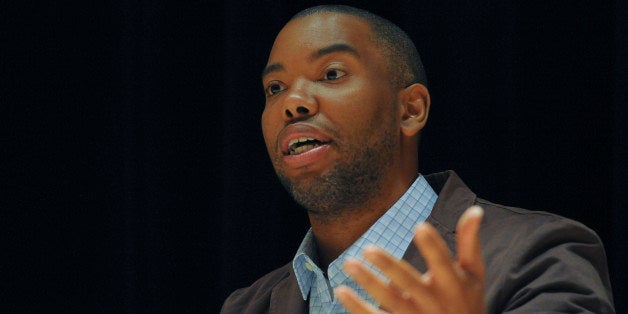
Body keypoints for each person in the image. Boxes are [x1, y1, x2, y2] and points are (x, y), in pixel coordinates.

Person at [221, 4, 614, 313]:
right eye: (275, 87)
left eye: (332, 74)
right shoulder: (248, 305)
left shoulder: (540, 254)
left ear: (410, 110)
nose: (293, 103)